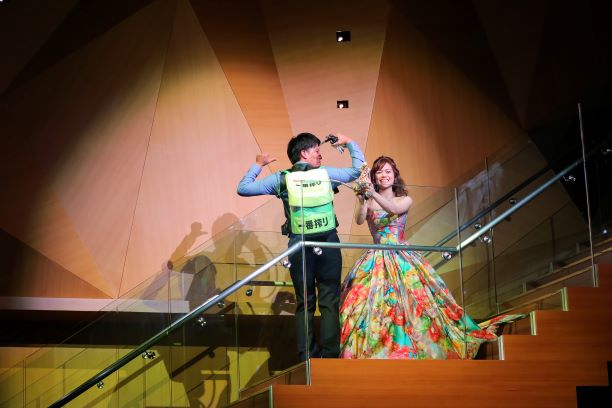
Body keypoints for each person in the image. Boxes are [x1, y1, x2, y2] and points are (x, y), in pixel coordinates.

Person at [340, 156, 520, 359]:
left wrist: (372, 192)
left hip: (400, 255)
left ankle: (411, 345)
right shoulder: (371, 200)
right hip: (375, 257)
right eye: (379, 172)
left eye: (388, 171)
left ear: (394, 175)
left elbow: (394, 209)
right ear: (374, 177)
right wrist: (362, 200)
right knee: (362, 302)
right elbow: (360, 219)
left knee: (415, 302)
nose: (384, 175)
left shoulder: (404, 199)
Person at [237, 132, 365, 360]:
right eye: (317, 150)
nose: (320, 155)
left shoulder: (281, 178)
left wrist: (258, 165)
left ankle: (307, 357)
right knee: (329, 300)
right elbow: (357, 170)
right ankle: (330, 357)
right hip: (328, 242)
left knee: (305, 302)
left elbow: (244, 188)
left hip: (299, 246)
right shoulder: (326, 174)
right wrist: (349, 143)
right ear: (304, 153)